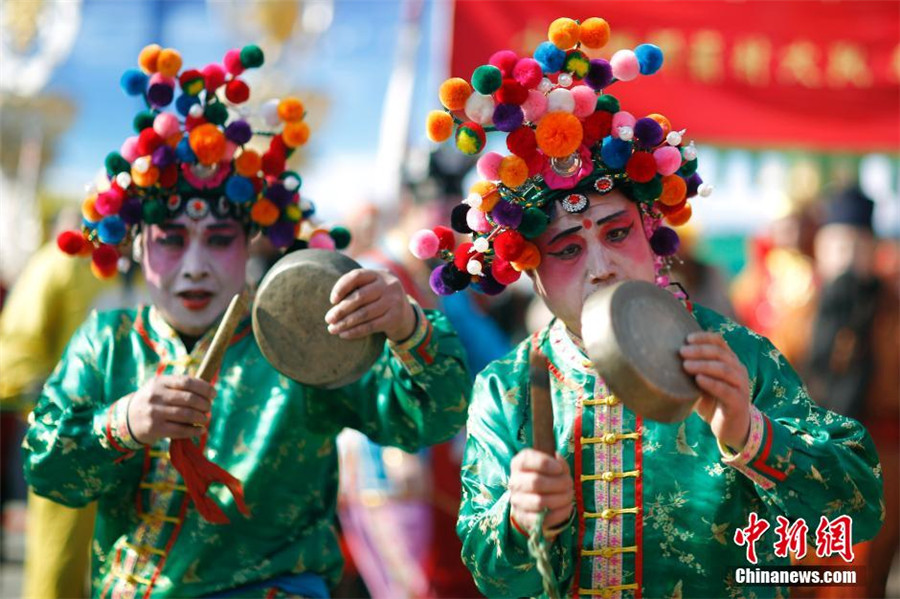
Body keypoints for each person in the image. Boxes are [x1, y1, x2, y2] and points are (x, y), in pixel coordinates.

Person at [411, 16, 884, 598]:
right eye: (566, 250)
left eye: (617, 234)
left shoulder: (734, 356)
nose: (601, 266)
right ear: (530, 270)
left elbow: (860, 509)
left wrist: (750, 434)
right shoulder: (507, 389)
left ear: (652, 231)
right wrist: (520, 520)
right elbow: (489, 574)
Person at [22, 43, 470, 598]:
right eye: (170, 241)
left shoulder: (300, 335)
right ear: (136, 244)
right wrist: (124, 422)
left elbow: (431, 419)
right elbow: (47, 473)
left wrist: (406, 327)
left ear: (250, 242)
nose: (195, 266)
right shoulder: (107, 343)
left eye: (218, 240)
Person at [795, 184, 899, 599]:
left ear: (873, 250)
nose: (847, 257)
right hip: (804, 460)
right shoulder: (798, 310)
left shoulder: (891, 311)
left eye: (858, 245)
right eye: (837, 246)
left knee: (861, 577)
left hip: (879, 463)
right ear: (820, 250)